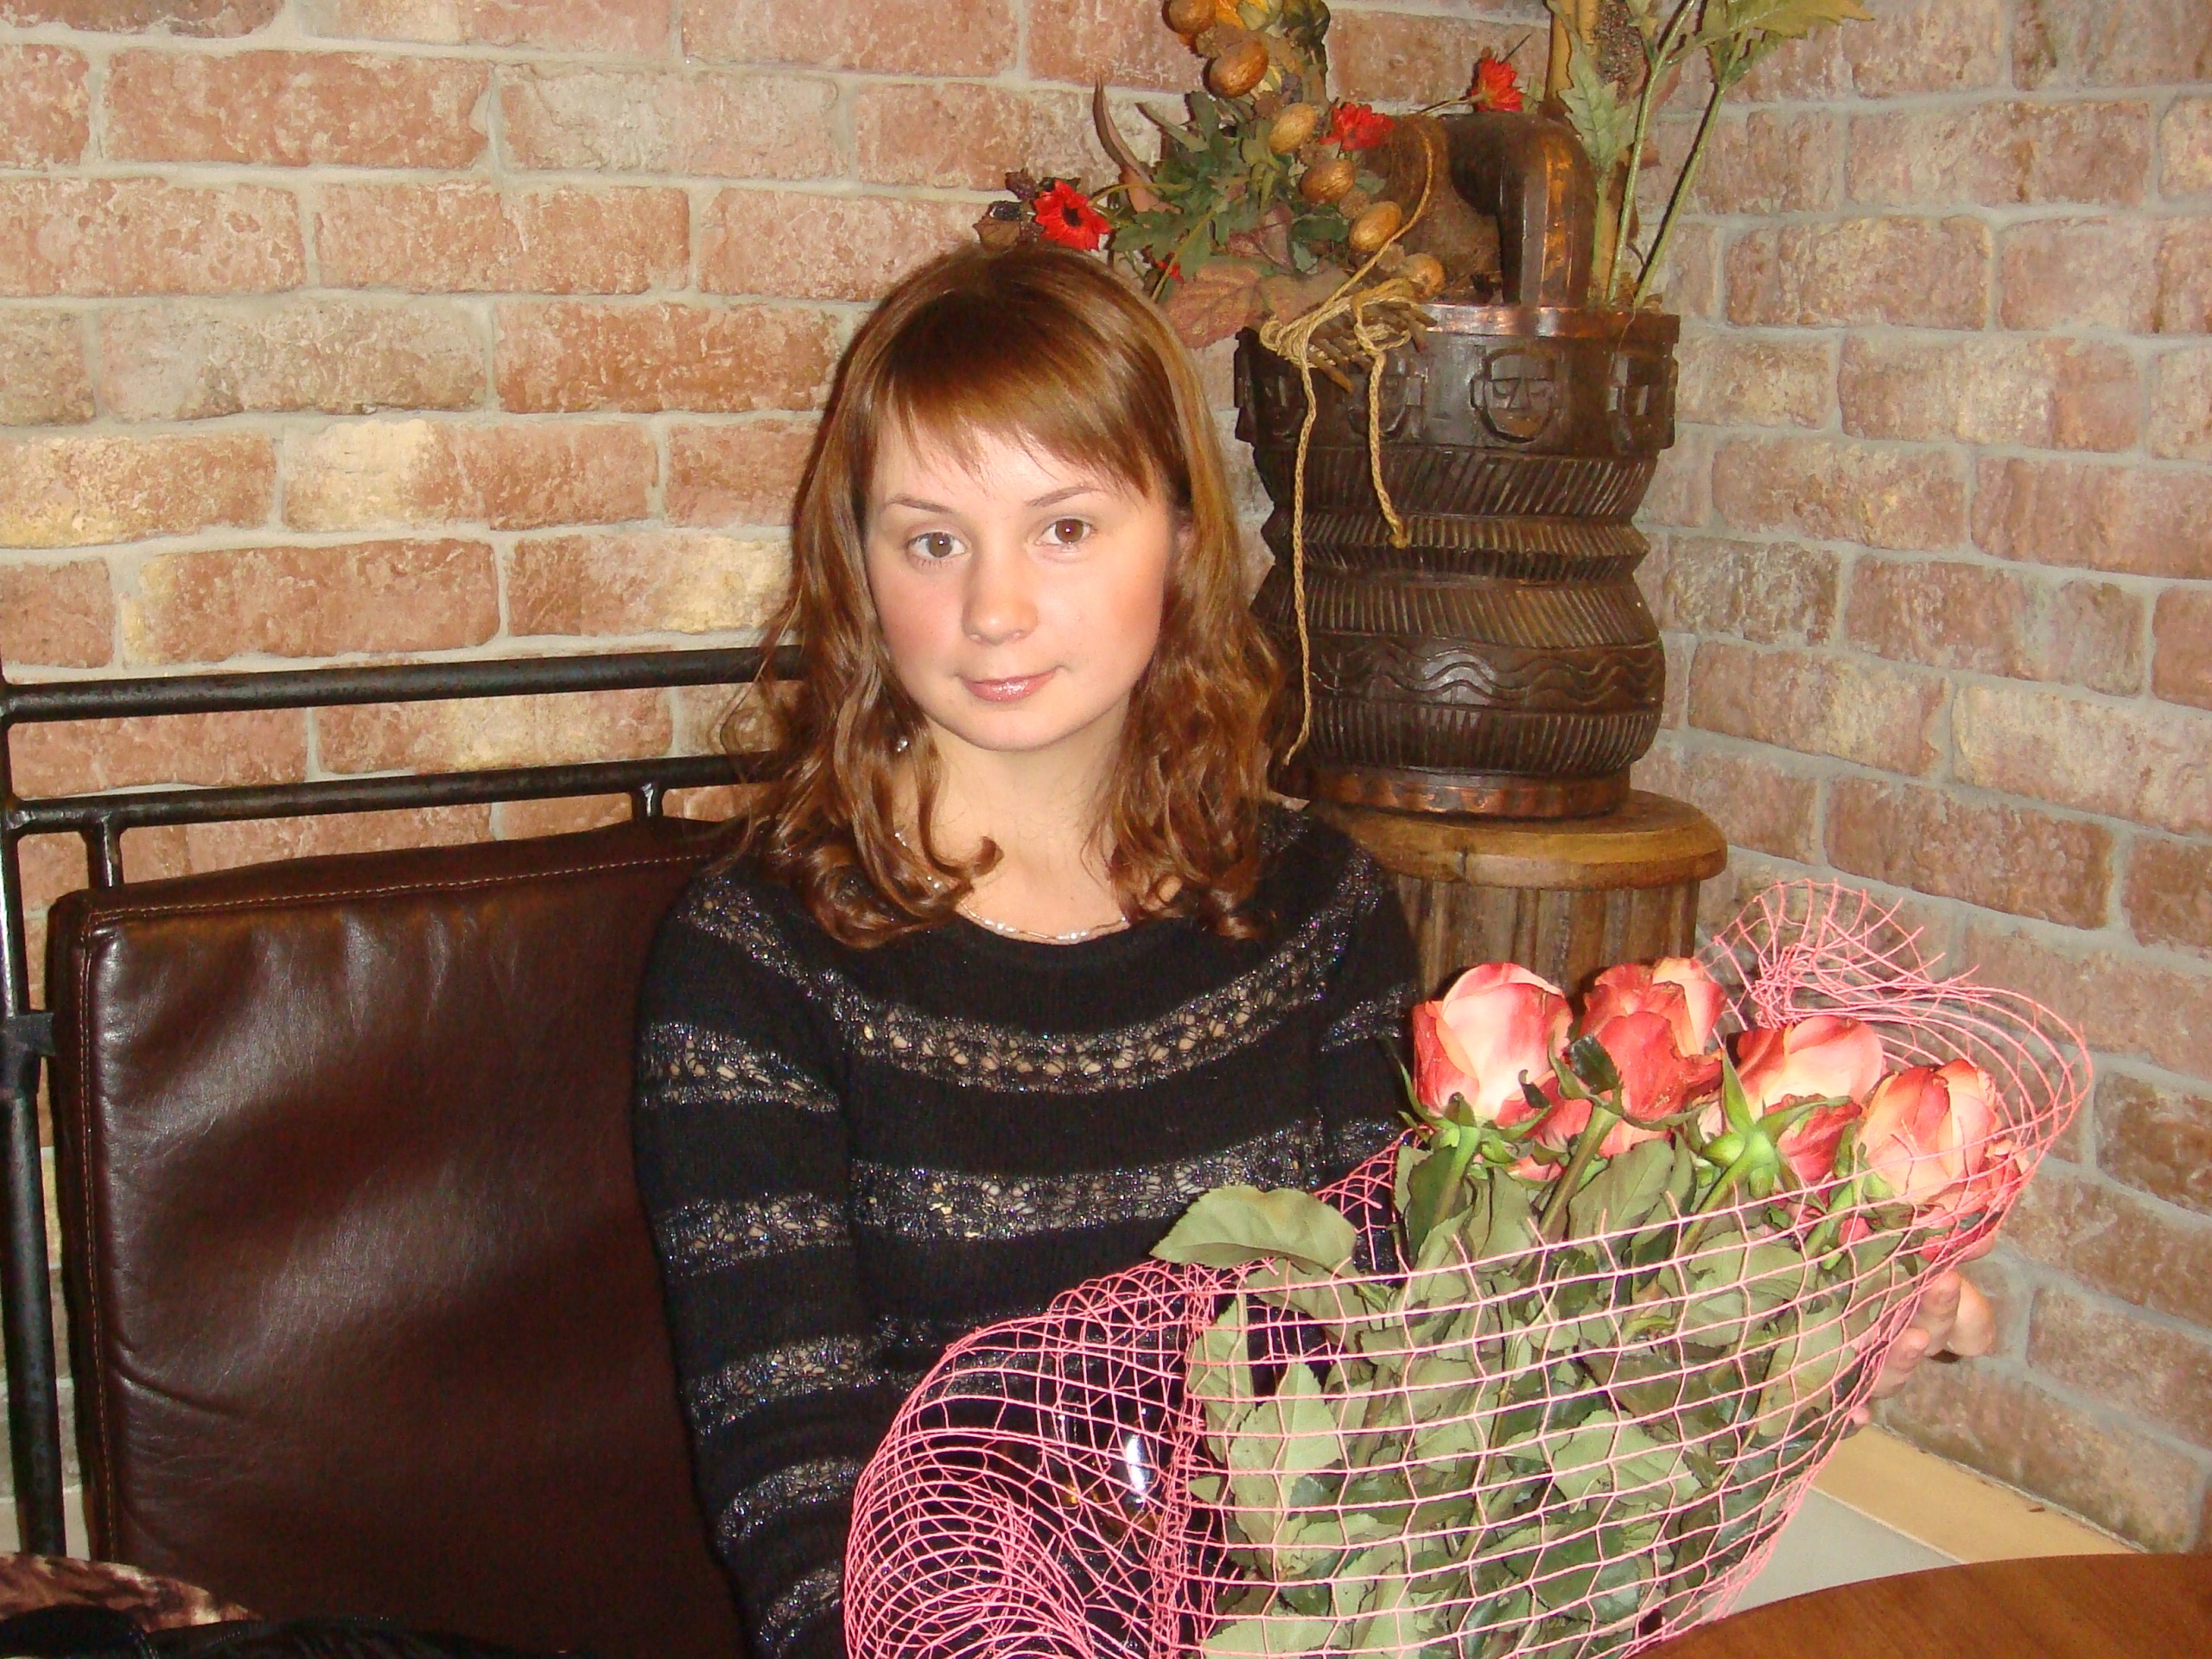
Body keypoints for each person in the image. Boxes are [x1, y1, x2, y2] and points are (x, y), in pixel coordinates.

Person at [629, 245, 1988, 1659]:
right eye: (931, 541)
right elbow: (798, 1494)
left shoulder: (1315, 904)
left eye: (1065, 528)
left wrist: (1780, 1327)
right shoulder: (753, 963)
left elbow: (1430, 1347)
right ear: (856, 566)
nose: (994, 608)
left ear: (1179, 532)